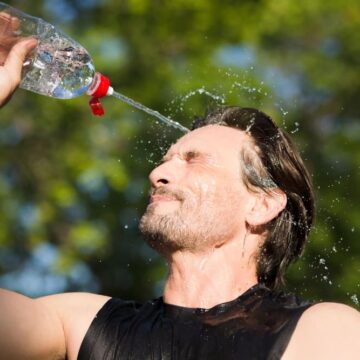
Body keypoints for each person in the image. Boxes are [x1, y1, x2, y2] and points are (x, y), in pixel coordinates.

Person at [0, 40, 360, 360]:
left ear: (261, 205)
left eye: (194, 160)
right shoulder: (81, 324)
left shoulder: (321, 332)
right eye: (164, 160)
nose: (157, 174)